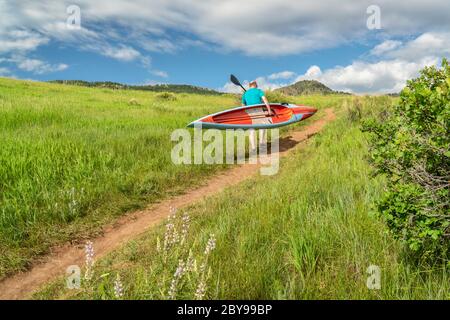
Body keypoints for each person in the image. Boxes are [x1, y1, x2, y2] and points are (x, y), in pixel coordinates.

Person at [241, 80, 273, 151]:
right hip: (259, 111)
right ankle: (261, 142)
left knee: (251, 130)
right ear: (255, 84)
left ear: (250, 85)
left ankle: (253, 147)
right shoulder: (259, 91)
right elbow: (265, 100)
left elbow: (243, 106)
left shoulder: (245, 94)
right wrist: (269, 110)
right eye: (257, 84)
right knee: (263, 126)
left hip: (250, 112)